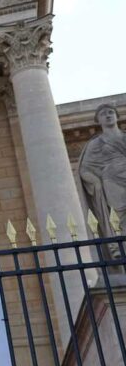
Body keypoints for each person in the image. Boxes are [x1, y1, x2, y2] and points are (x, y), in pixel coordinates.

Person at [79, 103, 126, 260]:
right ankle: (120, 246)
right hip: (112, 182)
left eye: (111, 112)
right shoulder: (96, 143)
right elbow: (85, 170)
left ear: (117, 116)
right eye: (103, 114)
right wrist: (96, 182)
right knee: (119, 215)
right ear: (98, 120)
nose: (108, 115)